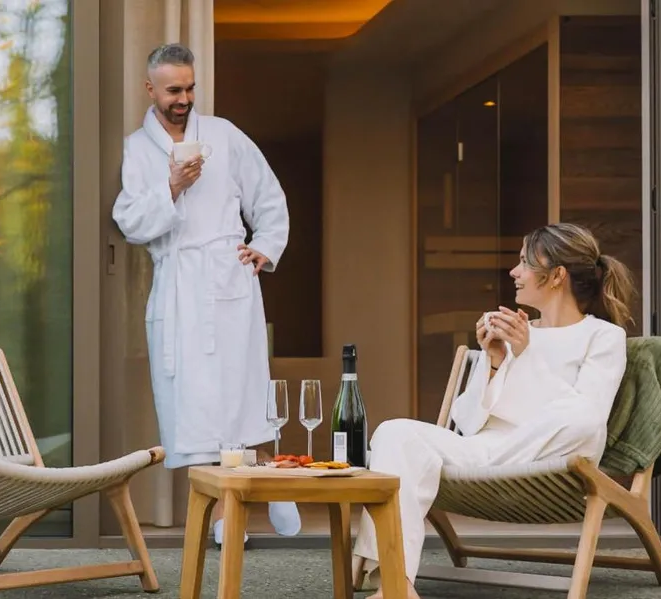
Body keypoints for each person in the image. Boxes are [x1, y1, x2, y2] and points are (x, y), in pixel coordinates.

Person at [353, 223, 635, 599]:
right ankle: (397, 586)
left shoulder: (603, 336)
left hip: (552, 458)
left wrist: (526, 353)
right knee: (394, 431)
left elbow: (587, 416)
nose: (514, 272)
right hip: (487, 452)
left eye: (524, 263)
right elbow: (468, 424)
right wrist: (495, 361)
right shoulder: (514, 331)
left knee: (584, 421)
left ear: (557, 276)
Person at [112, 43, 300, 542]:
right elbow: (129, 222)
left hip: (227, 278)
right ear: (150, 88)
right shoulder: (137, 149)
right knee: (195, 405)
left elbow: (269, 197)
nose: (184, 99)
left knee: (241, 393)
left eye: (190, 88)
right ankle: (229, 512)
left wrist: (264, 247)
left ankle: (267, 474)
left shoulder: (224, 135)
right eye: (173, 90)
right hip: (179, 286)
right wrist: (171, 186)